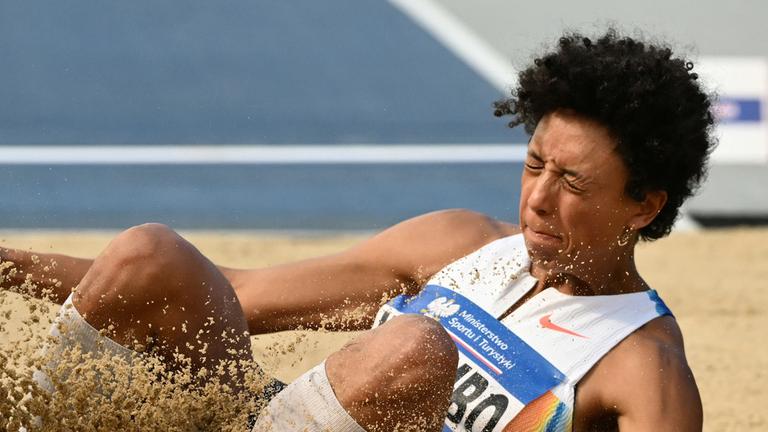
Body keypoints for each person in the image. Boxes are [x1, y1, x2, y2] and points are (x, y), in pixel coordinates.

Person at [2, 29, 713, 431]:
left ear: (644, 206)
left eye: (573, 185)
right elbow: (236, 297)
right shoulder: (459, 243)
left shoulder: (641, 367)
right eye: (533, 166)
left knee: (414, 349)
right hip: (268, 421)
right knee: (149, 255)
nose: (537, 200)